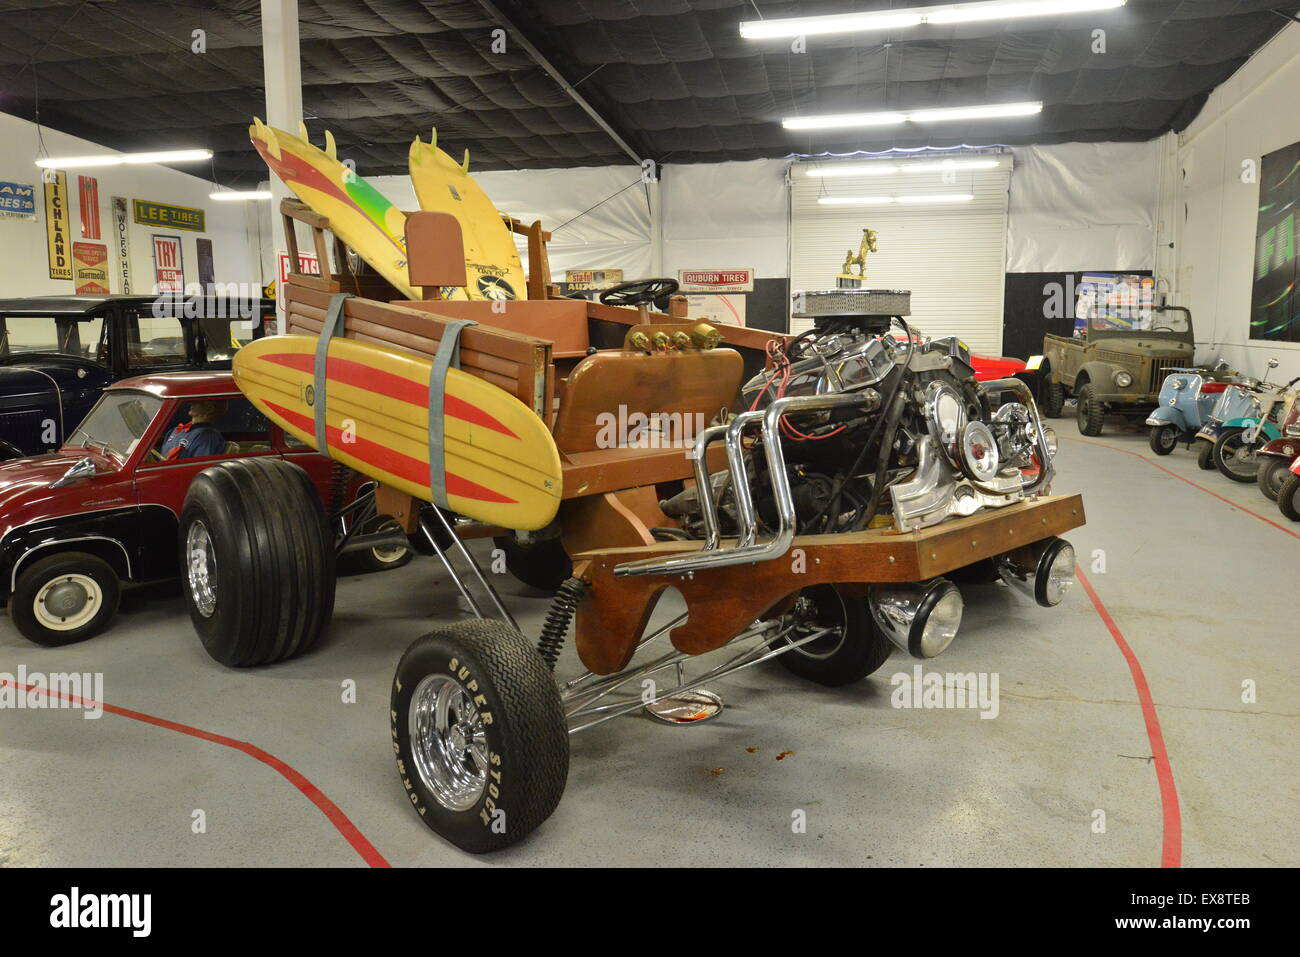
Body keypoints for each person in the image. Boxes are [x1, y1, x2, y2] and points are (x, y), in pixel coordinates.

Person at [159, 400, 228, 460]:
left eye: (198, 402)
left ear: (210, 409)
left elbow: (199, 467)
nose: (191, 404)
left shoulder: (207, 437)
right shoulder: (175, 430)